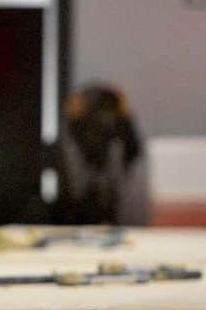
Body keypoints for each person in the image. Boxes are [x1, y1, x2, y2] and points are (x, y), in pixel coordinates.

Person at [51, 83, 151, 226]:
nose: (101, 122)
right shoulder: (76, 132)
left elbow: (132, 147)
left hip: (111, 186)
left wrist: (124, 116)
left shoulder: (118, 131)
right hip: (82, 189)